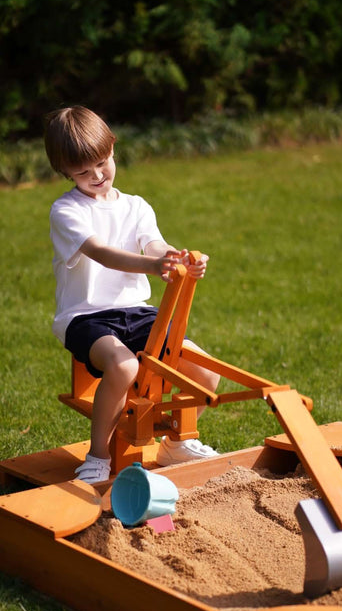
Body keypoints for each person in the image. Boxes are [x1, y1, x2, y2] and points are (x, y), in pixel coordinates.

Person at [44, 105, 220, 484]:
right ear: (65, 173)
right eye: (82, 171)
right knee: (125, 366)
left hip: (136, 312)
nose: (97, 175)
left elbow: (154, 245)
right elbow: (101, 253)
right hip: (85, 316)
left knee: (206, 371)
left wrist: (177, 259)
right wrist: (152, 267)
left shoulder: (136, 206)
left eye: (103, 162)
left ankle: (175, 440)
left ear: (113, 150)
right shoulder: (66, 211)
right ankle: (98, 456)